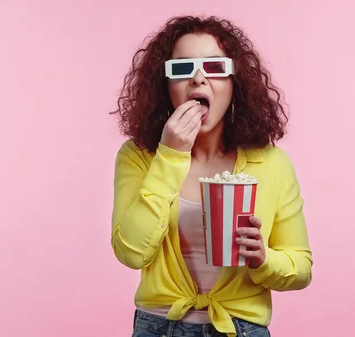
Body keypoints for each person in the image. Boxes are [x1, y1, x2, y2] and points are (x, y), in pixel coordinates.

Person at [110, 15, 313, 337]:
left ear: (235, 83)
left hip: (241, 329)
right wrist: (170, 154)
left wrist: (264, 259)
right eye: (182, 69)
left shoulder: (272, 163)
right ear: (165, 87)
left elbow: (301, 270)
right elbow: (131, 253)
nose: (199, 79)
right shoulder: (139, 156)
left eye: (216, 68)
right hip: (157, 327)